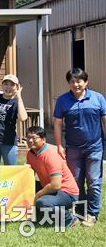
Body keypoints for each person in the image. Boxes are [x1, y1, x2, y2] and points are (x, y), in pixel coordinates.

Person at [53, 68, 106, 227]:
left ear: (86, 82)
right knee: (75, 182)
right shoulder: (62, 100)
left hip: (94, 148)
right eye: (72, 81)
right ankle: (80, 212)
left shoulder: (98, 98)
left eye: (79, 81)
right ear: (68, 83)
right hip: (73, 149)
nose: (76, 84)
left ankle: (92, 213)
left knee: (94, 182)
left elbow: (104, 120)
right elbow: (57, 123)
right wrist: (59, 145)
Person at [26, 126, 80, 228]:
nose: (30, 140)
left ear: (43, 140)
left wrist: (38, 195)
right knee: (26, 187)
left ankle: (70, 219)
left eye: (34, 138)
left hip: (67, 192)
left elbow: (55, 185)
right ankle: (38, 215)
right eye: (28, 137)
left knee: (42, 202)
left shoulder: (50, 155)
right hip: (50, 188)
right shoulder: (30, 154)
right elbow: (29, 176)